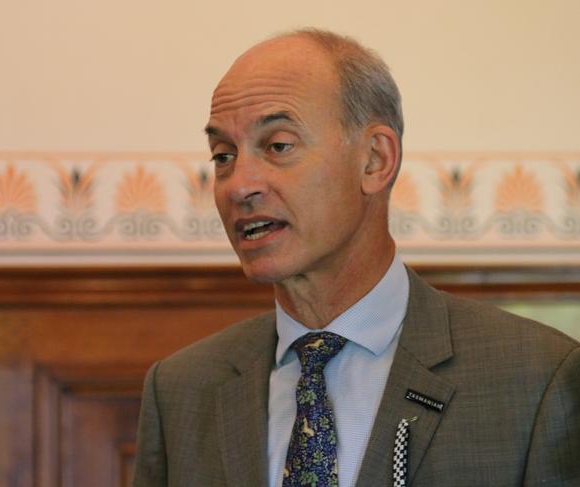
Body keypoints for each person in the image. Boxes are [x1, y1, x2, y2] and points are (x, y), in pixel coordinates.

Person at [133, 28, 580, 486]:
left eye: (278, 146)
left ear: (374, 160)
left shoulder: (536, 379)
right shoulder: (180, 390)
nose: (239, 184)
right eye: (223, 155)